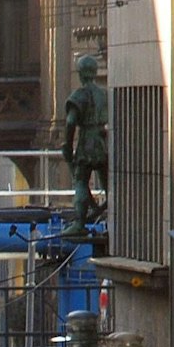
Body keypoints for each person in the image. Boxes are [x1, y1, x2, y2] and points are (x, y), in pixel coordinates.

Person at [61, 53, 109, 236]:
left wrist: (67, 144)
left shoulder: (79, 95)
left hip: (87, 141)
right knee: (108, 184)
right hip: (102, 140)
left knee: (81, 180)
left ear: (80, 73)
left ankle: (80, 223)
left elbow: (71, 121)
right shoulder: (104, 94)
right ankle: (114, 218)